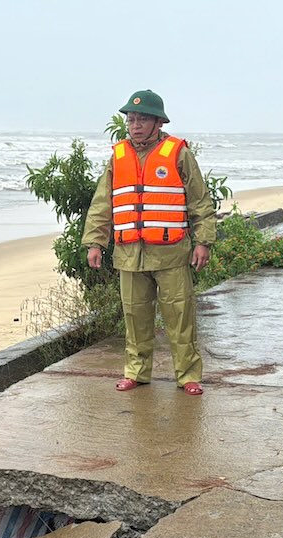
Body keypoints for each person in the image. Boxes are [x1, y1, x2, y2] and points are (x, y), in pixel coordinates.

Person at [82, 89, 217, 396]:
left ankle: (188, 375)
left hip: (170, 254)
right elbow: (102, 203)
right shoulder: (118, 157)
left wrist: (204, 241)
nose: (136, 125)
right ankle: (136, 372)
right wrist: (94, 242)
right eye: (131, 119)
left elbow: (200, 201)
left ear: (159, 122)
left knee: (180, 317)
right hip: (129, 254)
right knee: (134, 317)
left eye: (142, 119)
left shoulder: (178, 153)